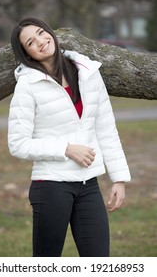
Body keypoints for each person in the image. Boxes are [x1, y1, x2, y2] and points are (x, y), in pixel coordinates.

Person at [8, 17, 131, 257]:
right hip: (51, 185)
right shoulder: (27, 85)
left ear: (51, 33)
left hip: (88, 185)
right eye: (31, 42)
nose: (41, 42)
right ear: (28, 54)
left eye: (42, 33)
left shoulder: (88, 72)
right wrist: (65, 148)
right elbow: (17, 143)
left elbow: (106, 128)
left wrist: (119, 179)